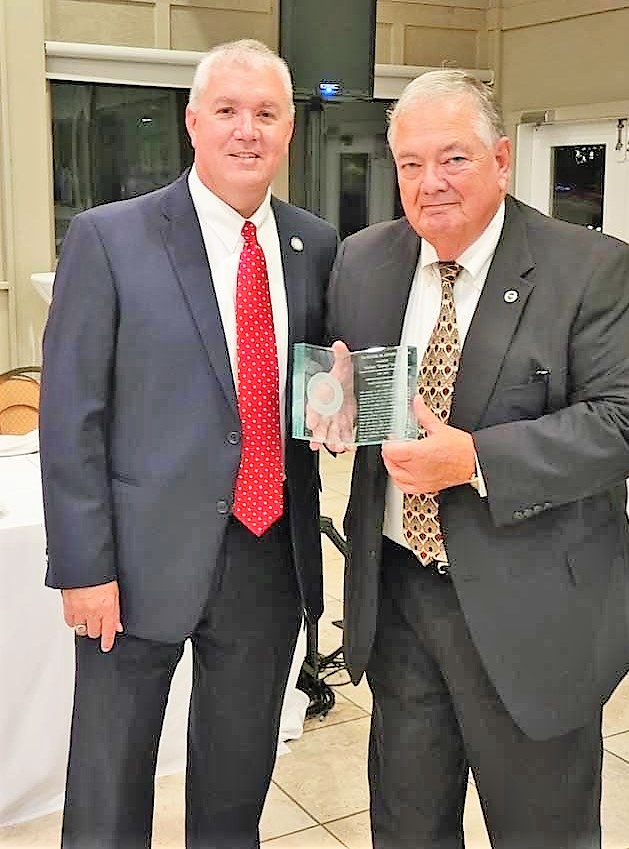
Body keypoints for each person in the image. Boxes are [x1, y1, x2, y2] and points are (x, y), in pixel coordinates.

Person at [322, 70, 629, 848]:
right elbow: (360, 387)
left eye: (454, 158)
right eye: (411, 163)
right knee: (407, 828)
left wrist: (476, 458)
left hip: (534, 615)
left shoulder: (590, 267)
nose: (430, 182)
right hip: (400, 602)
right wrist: (340, 407)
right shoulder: (364, 261)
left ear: (503, 159)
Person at [40, 39, 337, 849]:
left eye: (267, 114)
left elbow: (319, 386)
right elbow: (71, 415)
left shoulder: (317, 246)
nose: (249, 130)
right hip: (132, 567)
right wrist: (83, 566)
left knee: (236, 788)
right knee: (109, 786)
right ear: (193, 122)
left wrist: (341, 412)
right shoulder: (110, 238)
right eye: (230, 112)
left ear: (287, 133)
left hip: (266, 556)